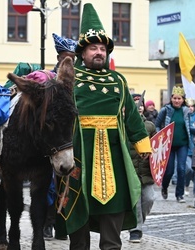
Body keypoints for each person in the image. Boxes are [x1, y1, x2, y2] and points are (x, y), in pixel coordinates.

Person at [55, 4, 152, 249]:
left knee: (113, 219)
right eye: (93, 48)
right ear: (82, 52)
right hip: (79, 157)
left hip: (115, 160)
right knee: (79, 218)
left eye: (102, 48)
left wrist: (143, 145)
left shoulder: (118, 80)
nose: (98, 52)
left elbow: (132, 117)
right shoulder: (69, 78)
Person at [43, 33, 76, 241]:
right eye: (66, 57)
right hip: (51, 142)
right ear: (58, 58)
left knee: (68, 187)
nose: (70, 62)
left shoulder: (79, 81)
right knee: (49, 185)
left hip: (71, 141)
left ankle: (64, 225)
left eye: (73, 58)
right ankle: (47, 223)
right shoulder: (47, 79)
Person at [155, 86, 195, 203]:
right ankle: (164, 186)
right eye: (175, 98)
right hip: (168, 145)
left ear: (183, 100)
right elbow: (157, 124)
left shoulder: (186, 111)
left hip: (182, 144)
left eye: (179, 98)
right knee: (169, 171)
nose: (177, 101)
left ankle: (180, 195)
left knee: (182, 169)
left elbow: (189, 126)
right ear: (171, 98)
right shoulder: (165, 110)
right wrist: (160, 136)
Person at [128, 93, 156, 243]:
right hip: (131, 171)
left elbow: (158, 147)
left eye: (141, 104)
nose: (139, 107)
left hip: (146, 171)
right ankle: (135, 230)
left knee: (149, 199)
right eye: (135, 104)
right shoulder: (124, 125)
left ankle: (138, 223)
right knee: (136, 202)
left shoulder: (150, 126)